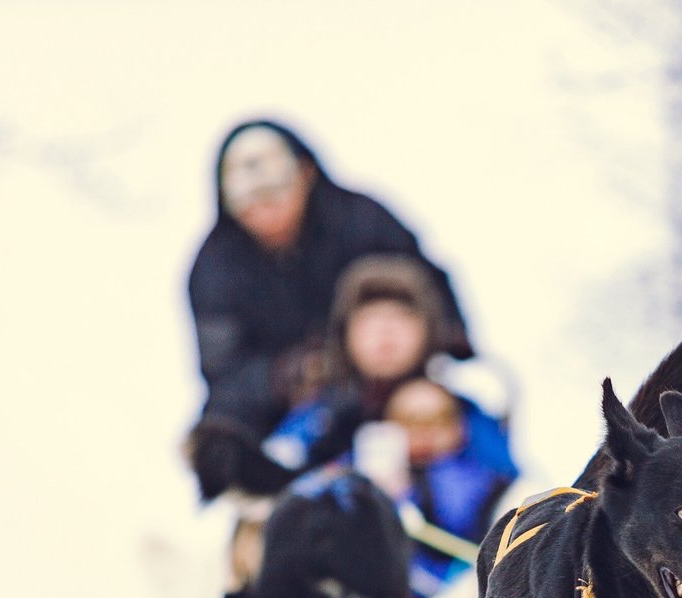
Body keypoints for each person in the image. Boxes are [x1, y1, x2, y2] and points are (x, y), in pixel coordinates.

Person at [182, 120, 473, 503]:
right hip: (290, 403)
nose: (264, 212)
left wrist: (438, 360)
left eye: (273, 194)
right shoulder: (215, 268)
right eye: (248, 204)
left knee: (441, 416)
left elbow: (432, 301)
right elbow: (223, 373)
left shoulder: (364, 222)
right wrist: (283, 377)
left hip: (395, 381)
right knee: (221, 447)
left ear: (305, 173)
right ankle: (263, 512)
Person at [279, 256, 518, 598]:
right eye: (369, 319)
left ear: (429, 329)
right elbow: (283, 490)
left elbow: (507, 499)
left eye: (402, 317)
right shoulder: (321, 417)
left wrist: (421, 482)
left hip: (452, 595)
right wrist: (353, 485)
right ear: (345, 333)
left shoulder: (464, 414)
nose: (385, 332)